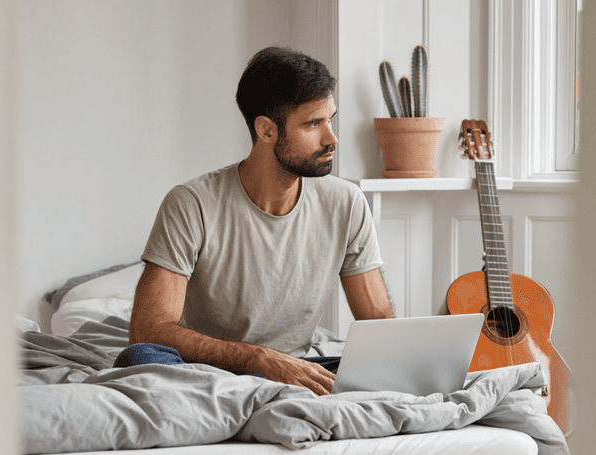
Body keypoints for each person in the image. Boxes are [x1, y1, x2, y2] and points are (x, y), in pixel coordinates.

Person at [121, 46, 394, 396]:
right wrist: (260, 360)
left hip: (298, 370)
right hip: (208, 371)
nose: (331, 138)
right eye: (313, 124)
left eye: (331, 119)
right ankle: (258, 393)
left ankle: (263, 395)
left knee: (375, 367)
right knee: (139, 358)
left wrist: (408, 362)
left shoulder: (346, 202)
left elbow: (379, 324)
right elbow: (149, 331)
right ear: (266, 130)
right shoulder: (191, 204)